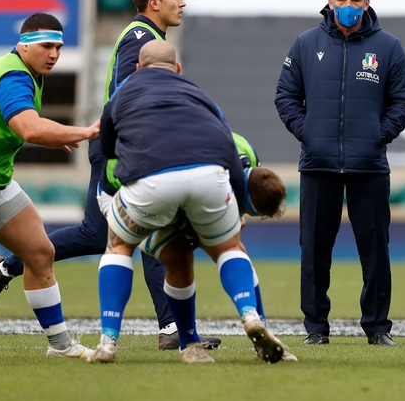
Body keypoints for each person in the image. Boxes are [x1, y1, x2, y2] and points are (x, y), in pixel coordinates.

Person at [0, 0, 221, 350]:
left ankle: (9, 270)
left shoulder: (147, 37)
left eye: (59, 48)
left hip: (101, 153)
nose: (183, 2)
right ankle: (171, 328)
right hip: (125, 152)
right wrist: (99, 134)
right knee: (153, 227)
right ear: (154, 3)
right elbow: (130, 93)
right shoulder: (141, 37)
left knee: (101, 234)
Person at [89, 40, 284, 364]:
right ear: (177, 69)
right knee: (230, 249)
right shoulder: (198, 94)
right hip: (209, 176)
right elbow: (226, 145)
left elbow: (107, 148)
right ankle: (251, 316)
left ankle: (110, 342)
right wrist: (232, 213)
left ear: (138, 69)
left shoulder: (122, 93)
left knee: (120, 246)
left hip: (151, 181)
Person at [275, 0, 405, 346]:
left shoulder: (388, 47)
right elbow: (285, 97)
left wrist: (378, 135)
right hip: (318, 165)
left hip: (368, 166)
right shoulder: (305, 44)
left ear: (366, 3)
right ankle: (316, 329)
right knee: (314, 252)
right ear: (330, 1)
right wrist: (310, 134)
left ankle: (377, 329)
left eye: (356, 0)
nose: (349, 7)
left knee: (375, 252)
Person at [97, 132, 298, 362]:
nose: (241, 215)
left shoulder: (240, 155)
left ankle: (114, 341)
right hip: (123, 187)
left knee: (229, 248)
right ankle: (199, 335)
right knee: (176, 254)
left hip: (172, 180)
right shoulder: (219, 159)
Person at [0, 13, 99, 358]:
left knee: (40, 253)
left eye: (59, 47)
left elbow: (28, 126)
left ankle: (61, 347)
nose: (54, 54)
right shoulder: (13, 74)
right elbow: (30, 129)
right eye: (46, 46)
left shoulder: (30, 71)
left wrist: (56, 135)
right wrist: (85, 131)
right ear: (23, 46)